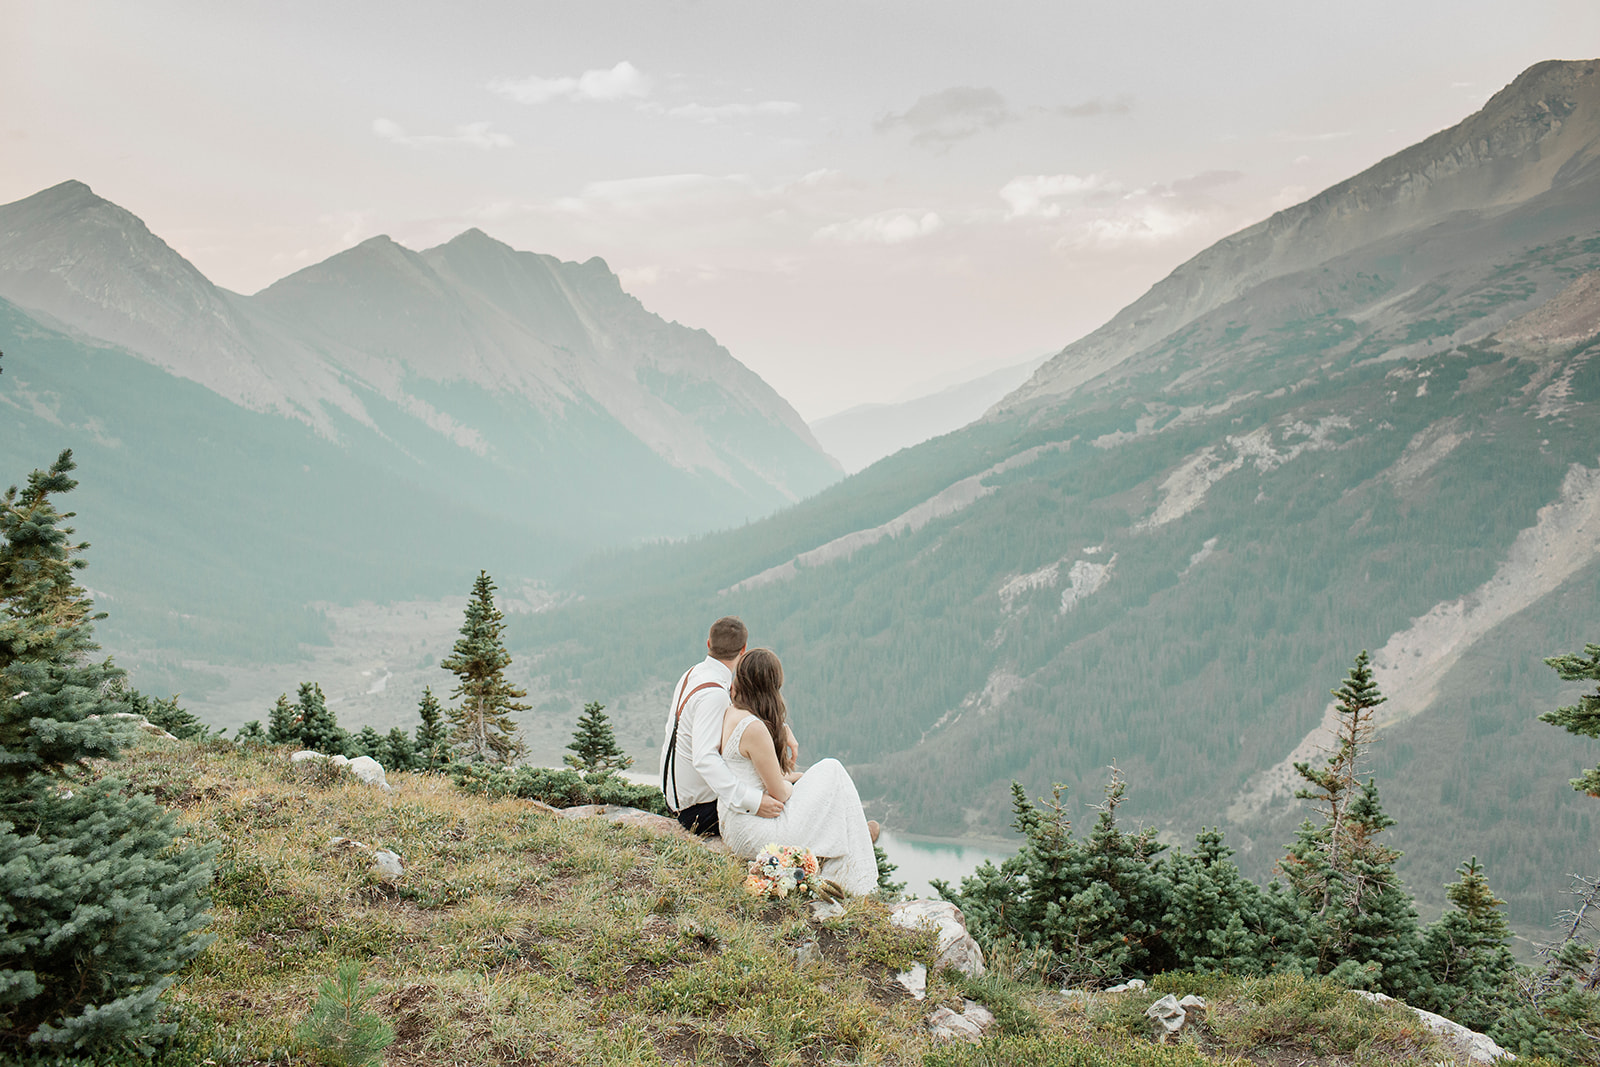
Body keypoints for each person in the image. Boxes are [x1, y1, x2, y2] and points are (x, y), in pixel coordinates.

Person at [717, 647, 880, 895]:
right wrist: (801, 786)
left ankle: (854, 835)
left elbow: (757, 775)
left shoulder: (732, 713)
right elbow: (780, 793)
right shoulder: (755, 729)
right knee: (832, 769)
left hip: (734, 822)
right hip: (755, 831)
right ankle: (857, 852)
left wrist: (801, 779)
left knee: (822, 777)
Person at [660, 616, 786, 835]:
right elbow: (704, 758)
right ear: (743, 649)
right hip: (697, 813)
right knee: (786, 808)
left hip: (676, 798)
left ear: (709, 643)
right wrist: (753, 802)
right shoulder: (714, 695)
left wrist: (783, 728)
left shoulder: (693, 674)